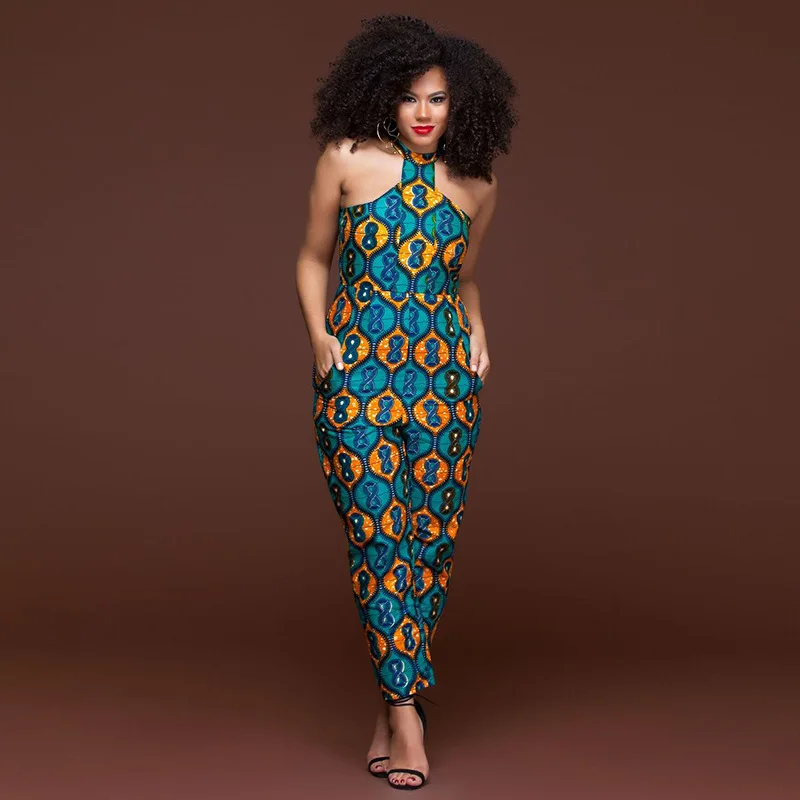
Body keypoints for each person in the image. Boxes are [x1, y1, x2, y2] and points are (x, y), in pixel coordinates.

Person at [295, 14, 518, 790]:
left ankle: (393, 705)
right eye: (410, 97)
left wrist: (478, 329)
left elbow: (465, 280)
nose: (424, 113)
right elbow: (312, 258)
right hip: (357, 377)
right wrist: (320, 340)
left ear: (462, 105)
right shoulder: (346, 161)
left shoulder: (478, 186)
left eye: (440, 99)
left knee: (428, 545)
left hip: (443, 385)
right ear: (384, 96)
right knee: (378, 537)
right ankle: (409, 714)